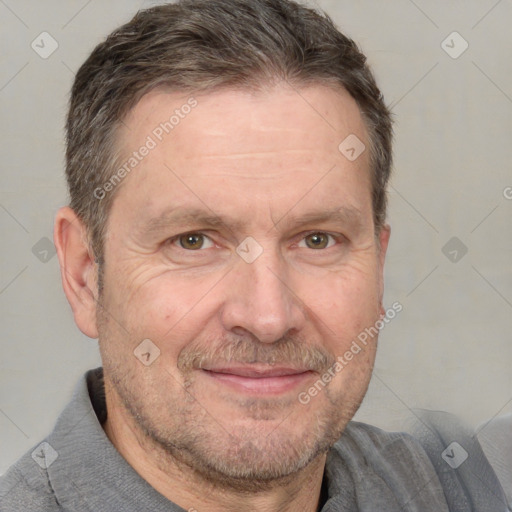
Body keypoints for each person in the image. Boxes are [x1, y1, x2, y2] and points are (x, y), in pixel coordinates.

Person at [0, 1, 508, 510]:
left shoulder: (459, 489)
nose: (268, 317)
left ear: (378, 263)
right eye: (193, 241)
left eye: (317, 240)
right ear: (85, 275)